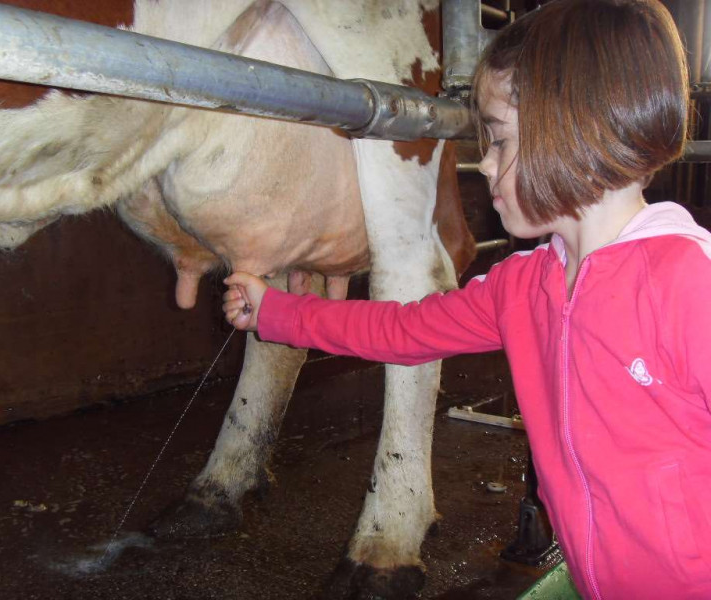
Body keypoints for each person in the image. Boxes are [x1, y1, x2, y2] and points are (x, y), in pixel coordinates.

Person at [222, 0, 711, 598]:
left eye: (500, 141)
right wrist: (275, 311)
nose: (487, 164)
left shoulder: (689, 283)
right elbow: (402, 331)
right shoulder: (523, 285)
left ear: (577, 128)